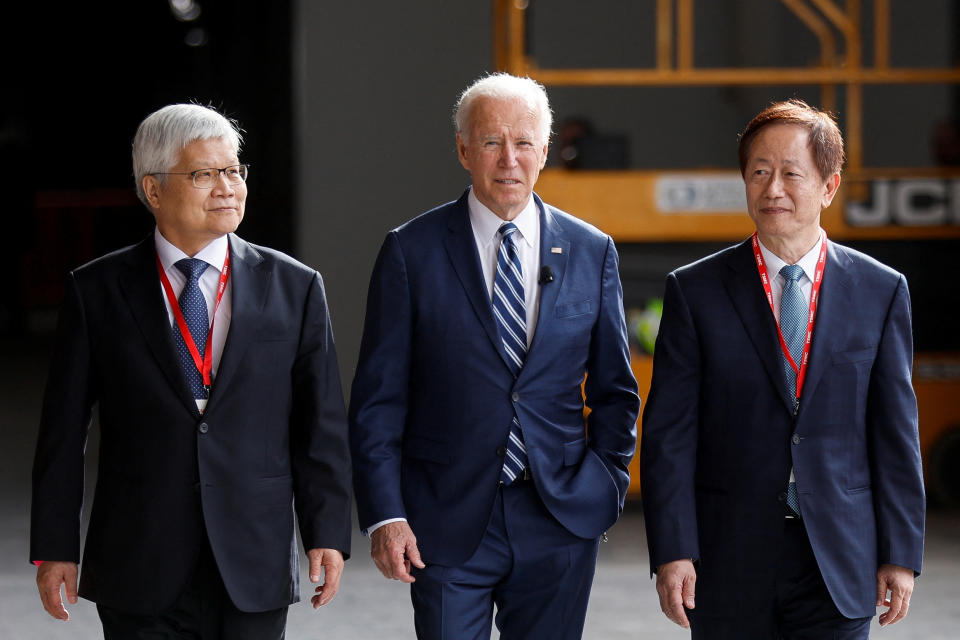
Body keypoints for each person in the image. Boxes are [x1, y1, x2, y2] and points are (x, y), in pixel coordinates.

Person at [30, 103, 353, 639]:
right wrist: (55, 547)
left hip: (253, 556)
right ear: (153, 190)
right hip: (139, 558)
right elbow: (62, 434)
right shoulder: (97, 292)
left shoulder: (295, 287)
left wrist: (328, 531)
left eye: (234, 170)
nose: (227, 187)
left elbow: (321, 425)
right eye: (204, 174)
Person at [349, 73, 640, 640]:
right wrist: (387, 514)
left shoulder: (591, 250)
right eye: (490, 142)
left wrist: (602, 487)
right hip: (444, 519)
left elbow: (615, 390)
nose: (509, 159)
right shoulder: (411, 251)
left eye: (524, 142)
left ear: (545, 151)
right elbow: (379, 400)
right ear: (463, 149)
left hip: (557, 516)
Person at [641, 99, 925, 639]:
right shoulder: (696, 291)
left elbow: (895, 434)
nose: (773, 190)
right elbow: (670, 435)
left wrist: (901, 553)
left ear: (829, 185)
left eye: (791, 174)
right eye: (759, 173)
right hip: (728, 557)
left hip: (840, 558)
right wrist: (673, 551)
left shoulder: (880, 290)